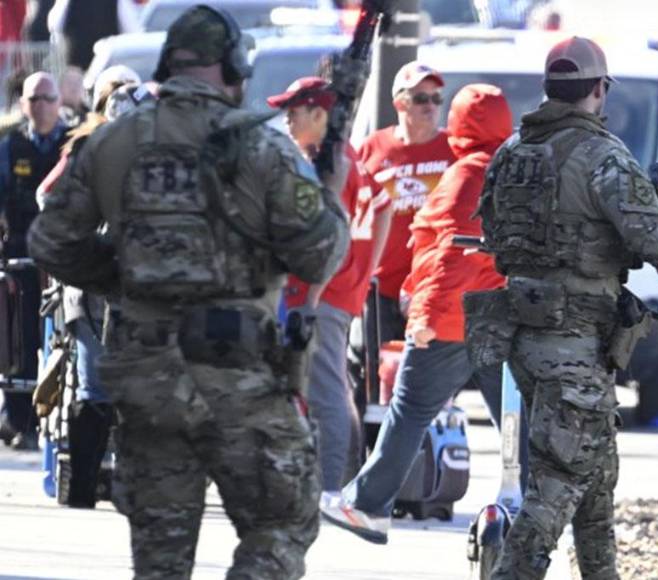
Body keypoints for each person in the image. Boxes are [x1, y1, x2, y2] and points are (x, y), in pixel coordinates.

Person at [27, 5, 349, 578]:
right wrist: (330, 194)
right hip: (239, 377)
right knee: (284, 523)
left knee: (160, 557)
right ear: (232, 68)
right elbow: (318, 253)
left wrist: (124, 276)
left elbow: (51, 239)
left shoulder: (113, 143)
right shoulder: (263, 149)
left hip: (147, 375)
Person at [479, 37, 658, 578]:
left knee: (594, 474)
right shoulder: (603, 155)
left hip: (526, 333)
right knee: (559, 479)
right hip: (575, 339)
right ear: (599, 90)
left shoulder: (511, 152)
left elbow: (492, 230)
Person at [322, 83, 525, 544]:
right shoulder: (512, 172)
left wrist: (428, 317)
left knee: (410, 410)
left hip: (453, 318)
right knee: (513, 420)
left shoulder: (466, 176)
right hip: (497, 315)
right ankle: (529, 504)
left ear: (462, 126)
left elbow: (453, 254)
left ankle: (367, 506)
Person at [267, 76, 393, 493]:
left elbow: (325, 238)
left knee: (324, 394)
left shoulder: (328, 162)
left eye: (295, 109)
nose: (287, 117)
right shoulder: (343, 155)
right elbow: (384, 207)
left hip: (319, 296)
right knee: (331, 388)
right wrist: (362, 277)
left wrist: (319, 293)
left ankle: (331, 488)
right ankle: (335, 480)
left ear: (320, 115)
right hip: (332, 293)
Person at [36, 67, 149, 508]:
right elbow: (49, 197)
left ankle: (113, 490)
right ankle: (85, 489)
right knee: (98, 389)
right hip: (98, 289)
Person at [351, 61, 456, 366]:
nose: (431, 106)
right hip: (381, 286)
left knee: (428, 377)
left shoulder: (452, 148)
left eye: (436, 99)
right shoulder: (373, 148)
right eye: (421, 98)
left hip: (433, 289)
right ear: (400, 103)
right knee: (373, 371)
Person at [0, 71, 67, 451]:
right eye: (33, 99)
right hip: (21, 259)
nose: (40, 106)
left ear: (59, 103)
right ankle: (21, 420)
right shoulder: (11, 146)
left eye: (47, 98)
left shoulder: (74, 146)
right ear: (23, 104)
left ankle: (65, 420)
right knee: (21, 343)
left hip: (64, 260)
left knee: (66, 341)